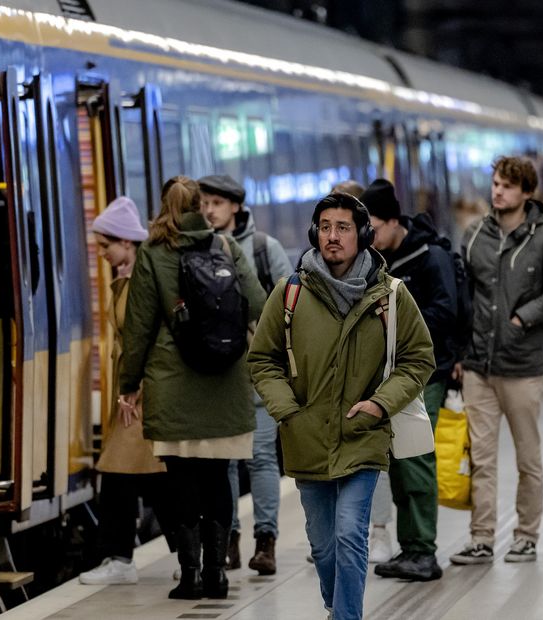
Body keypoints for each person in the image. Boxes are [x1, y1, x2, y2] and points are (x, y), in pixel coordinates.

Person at [249, 193, 434, 620]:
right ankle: (337, 606)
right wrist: (287, 412)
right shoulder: (290, 294)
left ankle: (347, 617)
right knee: (324, 544)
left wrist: (380, 405)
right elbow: (262, 359)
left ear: (363, 235)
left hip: (363, 435)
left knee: (351, 534)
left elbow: (419, 357)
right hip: (306, 437)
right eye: (326, 227)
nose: (333, 236)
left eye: (344, 228)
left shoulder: (390, 295)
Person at [119, 176, 266, 600]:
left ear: (164, 206)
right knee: (219, 477)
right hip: (227, 379)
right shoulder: (225, 246)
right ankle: (218, 576)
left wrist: (129, 386)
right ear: (200, 207)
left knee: (181, 481)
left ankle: (191, 576)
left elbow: (139, 327)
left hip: (173, 381)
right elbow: (258, 304)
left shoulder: (151, 254)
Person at [450, 156, 543, 565]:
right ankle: (482, 537)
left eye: (507, 185)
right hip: (478, 367)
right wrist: (459, 352)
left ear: (526, 192)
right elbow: (462, 297)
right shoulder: (474, 235)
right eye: (495, 183)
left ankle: (526, 535)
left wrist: (526, 315)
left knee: (528, 457)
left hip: (522, 366)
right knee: (482, 458)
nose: (498, 191)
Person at [362, 179, 457, 582]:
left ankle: (422, 551)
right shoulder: (379, 261)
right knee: (400, 460)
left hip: (427, 371)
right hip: (393, 376)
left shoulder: (429, 257)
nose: (370, 238)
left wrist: (397, 326)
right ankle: (411, 547)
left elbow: (446, 312)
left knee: (415, 456)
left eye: (374, 229)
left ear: (394, 221)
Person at [198, 174, 291, 575]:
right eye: (204, 202)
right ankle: (229, 542)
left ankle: (265, 541)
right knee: (226, 462)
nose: (208, 209)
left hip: (259, 370)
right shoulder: (199, 247)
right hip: (219, 373)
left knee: (261, 459)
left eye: (216, 203)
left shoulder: (262, 248)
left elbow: (290, 304)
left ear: (235, 206)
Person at [79, 197, 173, 585]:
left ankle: (129, 558)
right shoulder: (127, 278)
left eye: (106, 245)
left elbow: (143, 341)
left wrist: (133, 389)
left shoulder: (143, 282)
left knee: (141, 475)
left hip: (145, 395)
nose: (101, 254)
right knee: (135, 475)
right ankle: (131, 556)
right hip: (133, 394)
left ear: (127, 243)